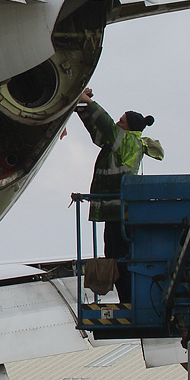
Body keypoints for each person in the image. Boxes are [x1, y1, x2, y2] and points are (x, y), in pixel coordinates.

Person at [76, 88, 164, 304]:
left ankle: (129, 301)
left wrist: (85, 100)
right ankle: (127, 299)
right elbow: (97, 130)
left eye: (122, 121)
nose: (117, 122)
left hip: (120, 212)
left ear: (129, 128)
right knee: (114, 256)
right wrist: (80, 107)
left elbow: (105, 122)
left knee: (120, 258)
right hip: (113, 212)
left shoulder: (128, 142)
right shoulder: (117, 144)